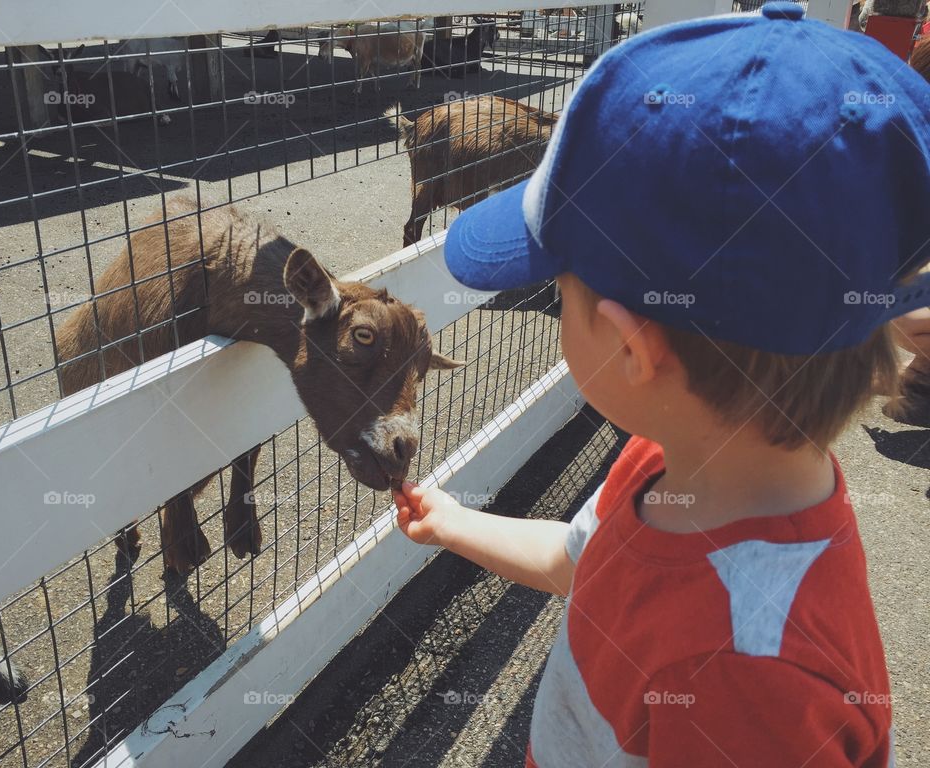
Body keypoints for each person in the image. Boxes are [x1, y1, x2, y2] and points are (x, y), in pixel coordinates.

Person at [392, 3, 930, 765]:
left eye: (559, 293)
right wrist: (453, 523)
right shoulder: (671, 467)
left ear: (634, 349)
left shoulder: (748, 674)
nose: (554, 310)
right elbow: (590, 563)